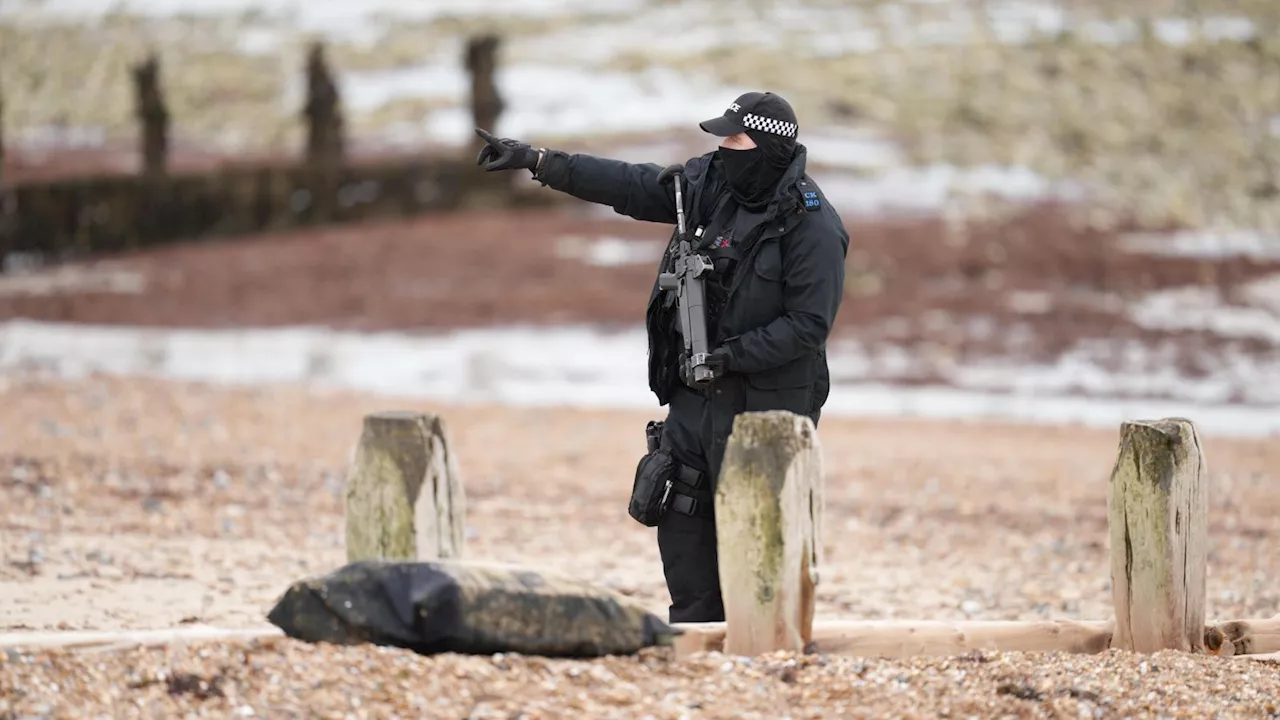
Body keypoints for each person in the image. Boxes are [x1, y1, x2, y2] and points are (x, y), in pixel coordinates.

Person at [474, 91, 849, 623]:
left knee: (759, 543)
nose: (722, 148)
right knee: (681, 521)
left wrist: (732, 356)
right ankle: (696, 643)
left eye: (734, 139)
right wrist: (539, 161)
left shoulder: (813, 225)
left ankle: (763, 657)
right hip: (694, 397)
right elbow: (628, 184)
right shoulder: (708, 185)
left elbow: (809, 326)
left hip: (767, 413)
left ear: (765, 147)